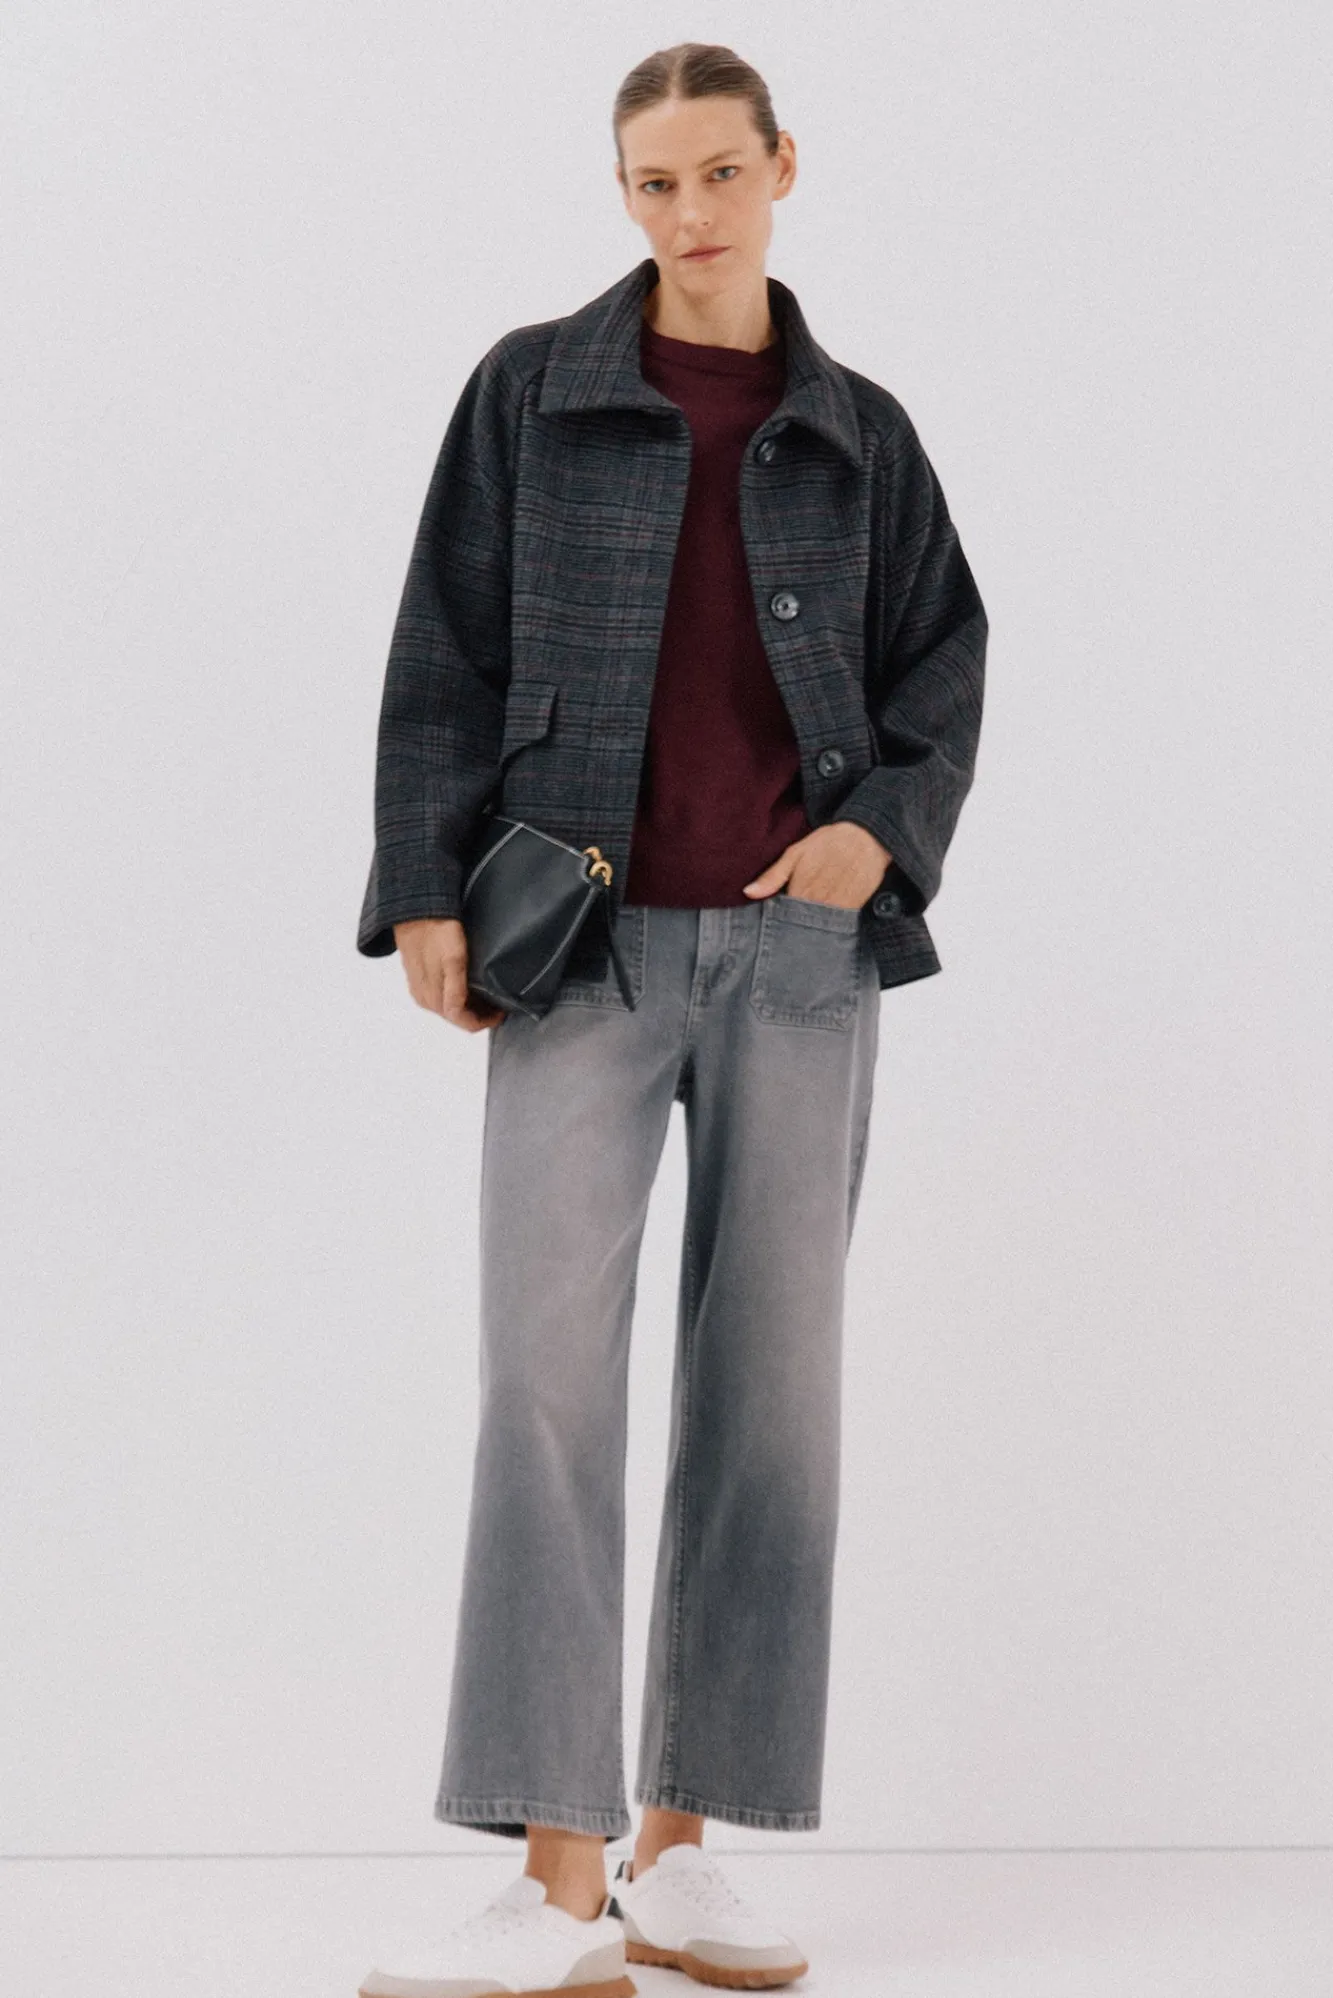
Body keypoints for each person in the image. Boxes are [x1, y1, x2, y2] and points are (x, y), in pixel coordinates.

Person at [355, 41, 987, 1998]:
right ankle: (557, 1888)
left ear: (785, 167)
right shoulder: (531, 395)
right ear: (620, 192)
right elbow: (441, 649)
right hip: (582, 950)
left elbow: (944, 662)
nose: (691, 211)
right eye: (655, 180)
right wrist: (427, 887)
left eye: (722, 171)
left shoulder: (859, 432)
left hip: (798, 963)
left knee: (770, 1402)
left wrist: (880, 839)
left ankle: (681, 1852)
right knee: (544, 1387)